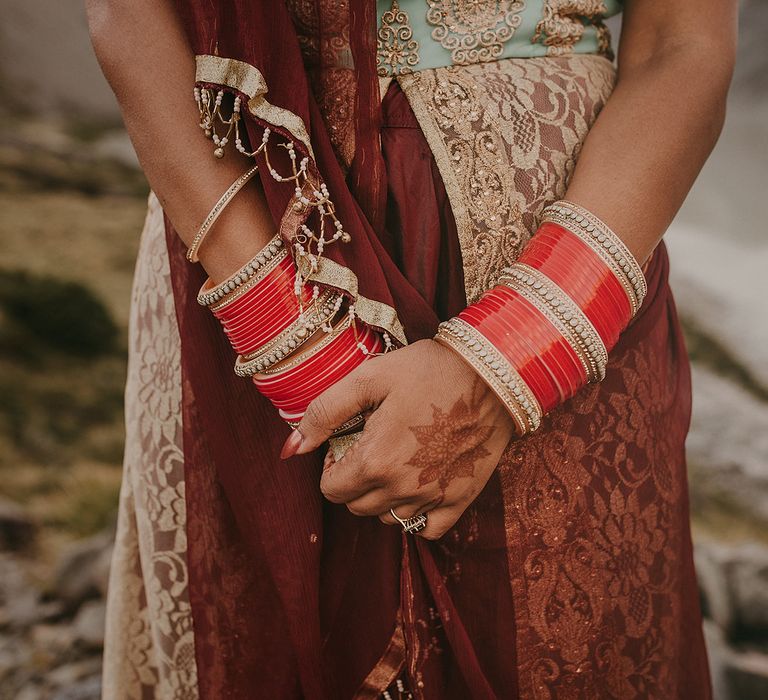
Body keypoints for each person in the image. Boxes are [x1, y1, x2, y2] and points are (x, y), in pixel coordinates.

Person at [87, 1, 735, 697]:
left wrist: (519, 351)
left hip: (564, 255)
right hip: (236, 236)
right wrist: (283, 328)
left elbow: (683, 44)